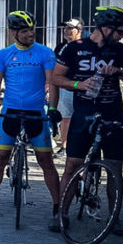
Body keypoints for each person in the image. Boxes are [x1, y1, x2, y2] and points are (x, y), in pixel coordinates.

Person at [52, 6, 123, 235]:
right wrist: (78, 85)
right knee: (73, 164)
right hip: (84, 114)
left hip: (112, 114)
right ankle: (61, 213)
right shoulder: (74, 48)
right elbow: (56, 77)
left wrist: (120, 72)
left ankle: (115, 216)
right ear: (105, 28)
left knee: (114, 168)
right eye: (120, 30)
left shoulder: (120, 50)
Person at [0, 12, 61, 220]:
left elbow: (52, 83)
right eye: (24, 31)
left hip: (36, 113)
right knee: (1, 158)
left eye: (32, 29)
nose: (30, 34)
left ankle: (59, 207)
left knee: (46, 160)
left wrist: (52, 109)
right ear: (13, 32)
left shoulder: (45, 53)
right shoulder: (3, 54)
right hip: (10, 112)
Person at [51, 18, 83, 157]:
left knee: (83, 116)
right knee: (65, 117)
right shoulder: (60, 47)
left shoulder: (85, 46)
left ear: (79, 31)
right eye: (65, 28)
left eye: (70, 28)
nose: (66, 31)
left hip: (82, 87)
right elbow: (54, 69)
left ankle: (82, 146)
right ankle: (64, 146)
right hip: (64, 86)